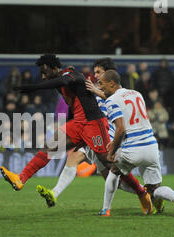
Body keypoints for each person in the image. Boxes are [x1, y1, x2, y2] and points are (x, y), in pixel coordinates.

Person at [36, 57, 151, 214]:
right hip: (92, 132)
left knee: (115, 178)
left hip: (107, 136)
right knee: (75, 158)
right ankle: (54, 194)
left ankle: (146, 193)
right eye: (95, 71)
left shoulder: (115, 91)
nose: (95, 75)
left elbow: (115, 104)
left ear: (109, 74)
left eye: (98, 72)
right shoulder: (93, 87)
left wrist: (96, 91)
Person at [0, 54, 110, 196]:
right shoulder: (61, 84)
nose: (44, 77)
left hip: (93, 123)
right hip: (78, 124)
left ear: (56, 68)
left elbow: (64, 81)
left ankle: (141, 191)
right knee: (50, 147)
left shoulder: (70, 74)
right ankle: (21, 178)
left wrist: (35, 87)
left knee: (109, 164)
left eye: (45, 72)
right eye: (41, 74)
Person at [98, 70, 174, 218]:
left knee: (113, 170)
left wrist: (112, 150)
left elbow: (120, 129)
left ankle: (105, 209)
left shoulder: (111, 101)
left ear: (112, 83)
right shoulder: (136, 94)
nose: (101, 87)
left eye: (102, 83)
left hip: (132, 148)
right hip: (151, 146)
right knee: (153, 189)